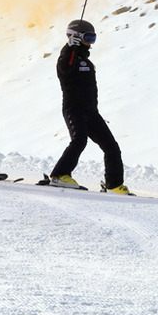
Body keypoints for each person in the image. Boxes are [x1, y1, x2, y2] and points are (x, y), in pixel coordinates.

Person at [49, 19, 130, 194]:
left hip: (91, 112)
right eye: (88, 37)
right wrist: (71, 48)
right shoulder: (66, 57)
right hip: (74, 109)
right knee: (79, 141)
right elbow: (65, 69)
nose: (91, 42)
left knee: (111, 146)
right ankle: (59, 175)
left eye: (94, 38)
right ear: (76, 37)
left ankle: (114, 185)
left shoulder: (85, 60)